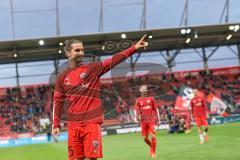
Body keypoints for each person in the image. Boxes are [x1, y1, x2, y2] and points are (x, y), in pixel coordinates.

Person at [52, 35, 148, 160]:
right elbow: (57, 102)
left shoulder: (93, 69)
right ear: (68, 53)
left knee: (92, 158)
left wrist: (134, 48)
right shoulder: (61, 78)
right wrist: (55, 125)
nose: (81, 53)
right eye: (77, 50)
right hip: (73, 125)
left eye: (82, 50)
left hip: (92, 123)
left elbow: (113, 60)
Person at [134, 84, 160, 158]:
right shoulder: (138, 100)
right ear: (140, 90)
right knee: (145, 138)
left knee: (153, 136)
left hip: (151, 120)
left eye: (145, 89)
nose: (144, 90)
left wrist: (158, 120)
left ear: (147, 90)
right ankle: (152, 147)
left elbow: (156, 109)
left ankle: (153, 152)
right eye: (143, 89)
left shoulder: (151, 98)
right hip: (143, 121)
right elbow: (137, 110)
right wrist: (137, 117)